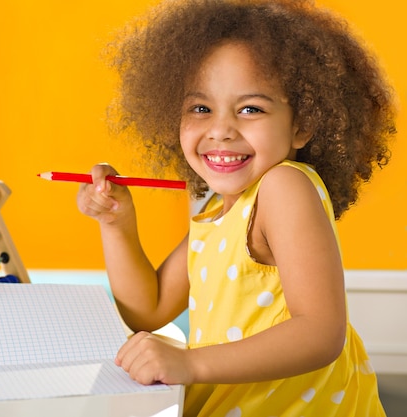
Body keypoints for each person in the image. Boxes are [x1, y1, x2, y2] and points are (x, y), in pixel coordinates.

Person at [76, 0, 397, 415]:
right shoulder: (218, 212)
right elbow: (148, 309)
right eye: (200, 108)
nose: (221, 130)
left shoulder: (284, 187)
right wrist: (116, 223)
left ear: (301, 124)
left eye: (250, 109)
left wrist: (189, 363)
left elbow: (321, 332)